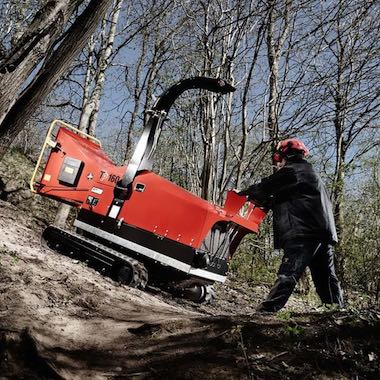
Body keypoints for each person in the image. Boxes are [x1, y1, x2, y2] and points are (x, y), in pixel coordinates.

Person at [238, 138, 344, 312]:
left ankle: (265, 312)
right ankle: (337, 313)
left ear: (282, 156)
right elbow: (285, 197)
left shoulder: (292, 171)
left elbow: (265, 187)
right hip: (322, 234)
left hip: (303, 233)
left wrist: (243, 194)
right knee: (326, 278)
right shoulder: (308, 173)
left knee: (288, 273)